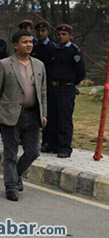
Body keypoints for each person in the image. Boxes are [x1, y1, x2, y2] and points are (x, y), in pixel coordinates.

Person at [0, 30, 47, 202]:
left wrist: (44, 114)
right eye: (25, 42)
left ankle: (15, 174)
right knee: (10, 154)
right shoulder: (4, 64)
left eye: (30, 42)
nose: (29, 44)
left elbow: (42, 92)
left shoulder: (39, 65)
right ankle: (11, 186)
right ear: (16, 45)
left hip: (32, 115)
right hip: (10, 114)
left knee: (33, 151)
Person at [45, 24, 86, 158]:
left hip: (66, 88)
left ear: (70, 36)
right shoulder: (55, 50)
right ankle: (52, 144)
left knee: (64, 118)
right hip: (54, 88)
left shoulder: (74, 52)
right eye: (59, 34)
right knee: (52, 117)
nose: (60, 37)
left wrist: (72, 83)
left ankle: (64, 147)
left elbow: (81, 72)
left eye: (64, 34)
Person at [32, 22, 56, 152]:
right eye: (38, 31)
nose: (40, 33)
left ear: (47, 32)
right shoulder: (35, 46)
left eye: (43, 31)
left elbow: (53, 67)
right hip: (34, 82)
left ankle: (47, 141)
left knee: (46, 113)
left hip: (47, 84)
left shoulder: (51, 47)